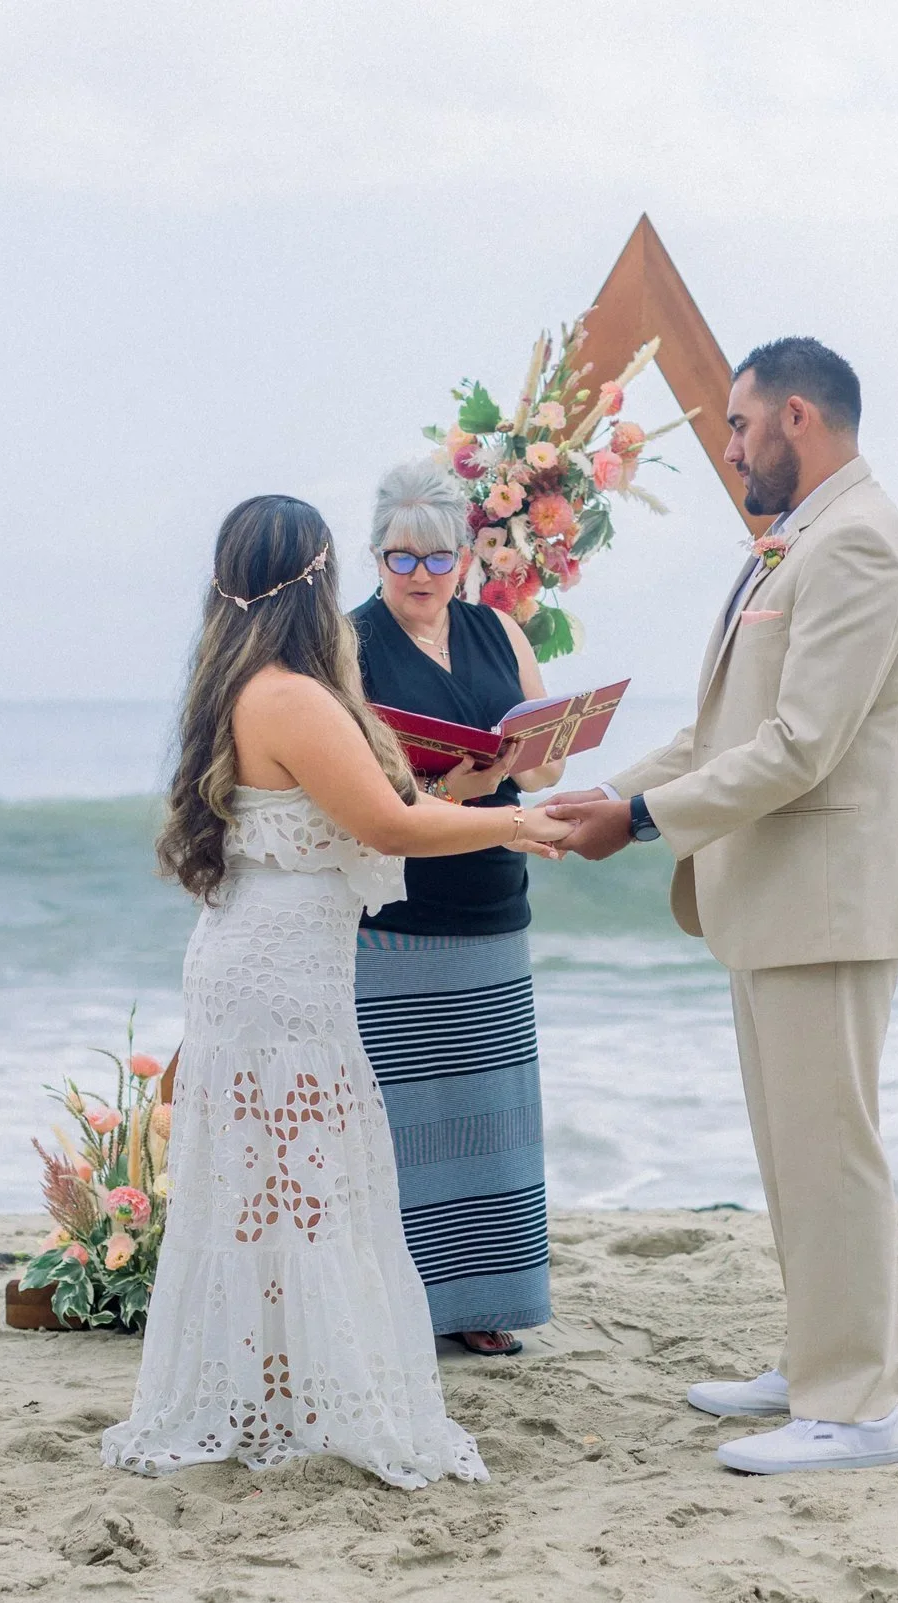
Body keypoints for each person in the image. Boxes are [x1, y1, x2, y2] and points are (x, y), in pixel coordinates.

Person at [100, 493, 570, 1490]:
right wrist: (515, 825)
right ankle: (308, 1395)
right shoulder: (293, 696)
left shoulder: (236, 677)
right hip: (278, 978)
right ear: (317, 578)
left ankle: (277, 1384)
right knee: (310, 1183)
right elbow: (389, 823)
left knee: (272, 1183)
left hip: (260, 958)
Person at [546, 338, 898, 1476]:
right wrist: (600, 794)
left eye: (737, 425)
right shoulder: (797, 542)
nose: (727, 448)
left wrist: (646, 822)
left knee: (833, 1150)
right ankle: (815, 1363)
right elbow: (722, 733)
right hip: (776, 899)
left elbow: (801, 746)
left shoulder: (856, 541)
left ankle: (858, 1408)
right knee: (790, 1150)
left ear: (797, 418)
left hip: (828, 898)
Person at [349, 459, 567, 1358]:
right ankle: (406, 1304)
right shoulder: (347, 643)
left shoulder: (497, 631)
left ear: (465, 559)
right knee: (402, 1119)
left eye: (437, 561)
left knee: (491, 1111)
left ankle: (486, 1302)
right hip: (397, 912)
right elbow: (356, 786)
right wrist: (451, 780)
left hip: (492, 897)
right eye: (401, 560)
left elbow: (547, 762)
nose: (421, 579)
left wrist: (503, 770)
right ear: (375, 556)